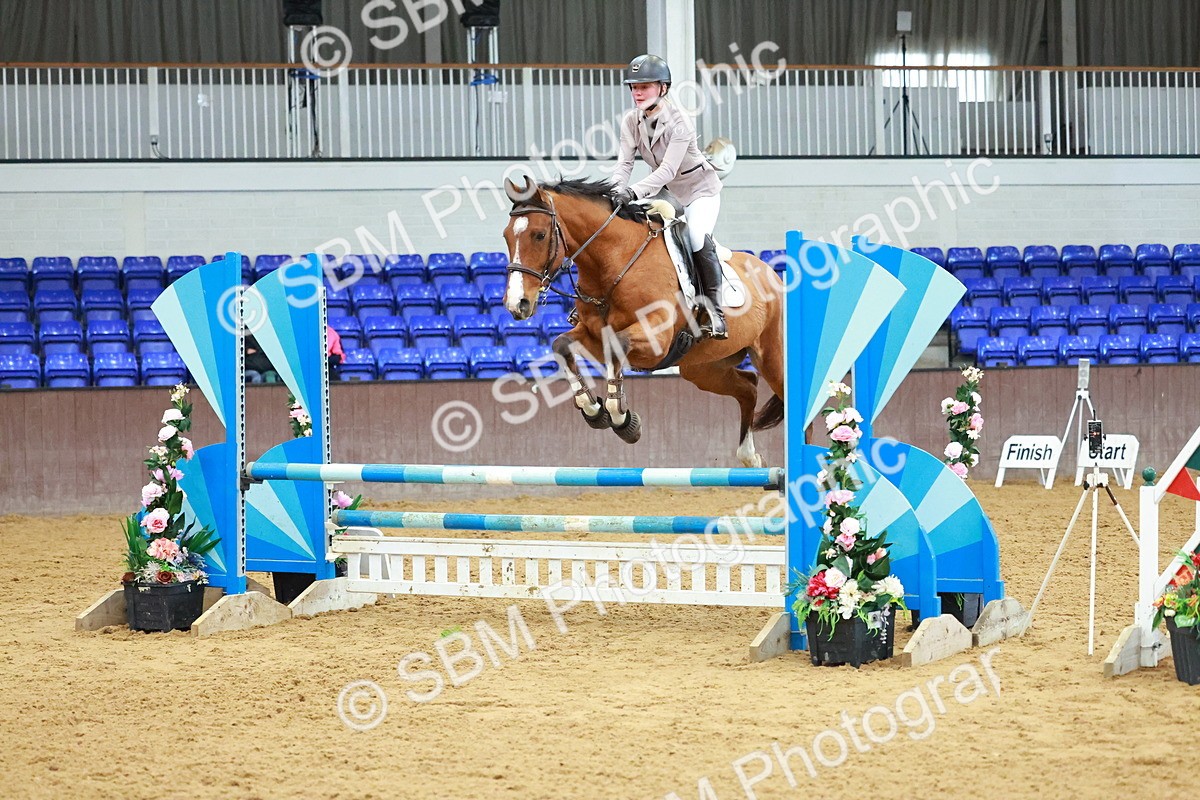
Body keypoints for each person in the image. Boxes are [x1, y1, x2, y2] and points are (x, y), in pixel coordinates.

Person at [611, 53, 727, 339]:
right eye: (634, 87)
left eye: (645, 87)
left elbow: (666, 170)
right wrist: (613, 193)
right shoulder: (630, 121)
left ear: (662, 88)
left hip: (700, 191)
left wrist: (633, 192)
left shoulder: (679, 123)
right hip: (669, 192)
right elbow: (624, 163)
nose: (637, 93)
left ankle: (715, 312)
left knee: (697, 237)